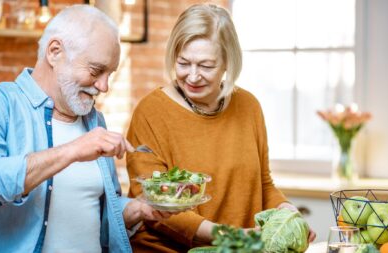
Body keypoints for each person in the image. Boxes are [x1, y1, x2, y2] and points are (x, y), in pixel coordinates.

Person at [0, 5, 171, 253]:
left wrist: (137, 210)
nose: (104, 86)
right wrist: (73, 150)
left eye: (109, 74)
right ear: (54, 52)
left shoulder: (94, 121)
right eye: (95, 71)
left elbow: (92, 222)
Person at [126, 3, 317, 252]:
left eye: (206, 66)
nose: (193, 76)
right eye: (183, 63)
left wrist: (288, 215)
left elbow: (263, 183)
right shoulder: (151, 112)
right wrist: (234, 237)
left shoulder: (248, 106)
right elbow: (155, 205)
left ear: (228, 62)